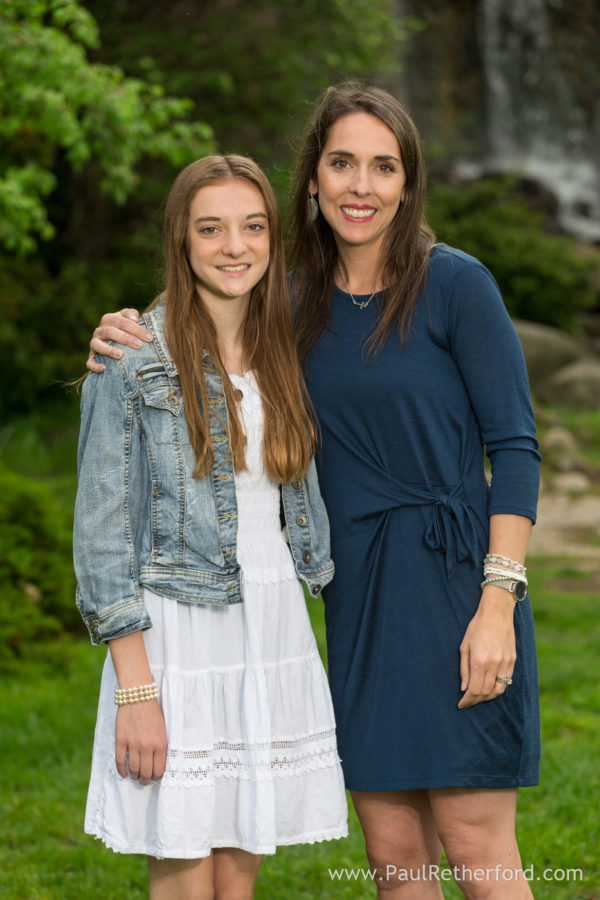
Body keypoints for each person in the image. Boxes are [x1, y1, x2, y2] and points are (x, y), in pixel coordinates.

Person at [86, 85, 541, 899]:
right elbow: (201, 319)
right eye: (342, 163)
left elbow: (515, 447)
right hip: (357, 596)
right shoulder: (290, 305)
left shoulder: (456, 286)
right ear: (313, 181)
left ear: (408, 184)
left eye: (382, 166)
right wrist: (121, 331)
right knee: (395, 855)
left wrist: (498, 604)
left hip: (458, 588)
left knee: (476, 850)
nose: (360, 185)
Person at [74, 154, 347, 900]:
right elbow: (102, 537)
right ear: (182, 240)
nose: (235, 246)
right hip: (177, 639)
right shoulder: (135, 358)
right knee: (186, 872)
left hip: (269, 624)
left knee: (239, 872)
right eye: (212, 228)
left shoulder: (286, 347)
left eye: (253, 226)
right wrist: (137, 692)